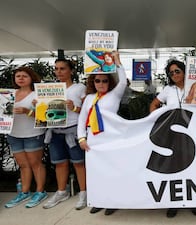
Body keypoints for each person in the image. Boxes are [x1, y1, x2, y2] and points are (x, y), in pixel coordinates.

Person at [149, 59, 196, 218]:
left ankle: (194, 201)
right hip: (173, 134)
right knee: (174, 169)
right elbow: (154, 105)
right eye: (171, 72)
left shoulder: (195, 87)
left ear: (184, 71)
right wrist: (155, 121)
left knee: (193, 167)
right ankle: (175, 202)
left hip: (193, 132)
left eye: (177, 71)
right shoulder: (168, 90)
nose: (174, 74)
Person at [78, 51, 126, 216]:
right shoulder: (89, 98)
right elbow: (82, 119)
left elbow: (123, 81)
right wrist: (81, 138)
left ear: (109, 82)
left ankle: (113, 201)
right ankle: (99, 200)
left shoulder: (115, 95)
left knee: (112, 171)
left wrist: (117, 62)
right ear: (93, 82)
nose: (101, 83)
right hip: (93, 141)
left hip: (111, 139)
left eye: (104, 80)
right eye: (97, 80)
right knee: (96, 172)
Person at [42, 59, 87, 210]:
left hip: (73, 129)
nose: (59, 72)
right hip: (55, 130)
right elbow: (43, 114)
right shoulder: (50, 88)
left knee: (79, 163)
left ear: (71, 71)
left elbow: (88, 112)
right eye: (56, 69)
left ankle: (83, 192)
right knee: (59, 163)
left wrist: (74, 108)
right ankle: (62, 191)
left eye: (62, 68)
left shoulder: (80, 88)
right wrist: (39, 106)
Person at [4, 67, 47, 208]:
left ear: (31, 78)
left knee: (36, 164)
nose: (21, 78)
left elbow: (44, 117)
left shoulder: (37, 94)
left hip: (32, 134)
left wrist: (28, 111)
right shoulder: (8, 94)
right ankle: (24, 192)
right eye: (18, 76)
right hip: (13, 133)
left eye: (24, 76)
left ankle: (40, 191)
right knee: (23, 165)